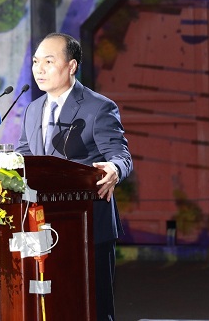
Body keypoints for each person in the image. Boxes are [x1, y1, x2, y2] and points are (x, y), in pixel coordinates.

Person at [16, 32, 133, 321]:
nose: (39, 69)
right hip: (41, 225)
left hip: (88, 225)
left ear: (71, 66)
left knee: (93, 309)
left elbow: (120, 155)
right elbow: (23, 156)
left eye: (49, 61)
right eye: (35, 62)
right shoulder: (32, 109)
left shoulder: (98, 107)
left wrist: (115, 169)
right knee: (52, 308)